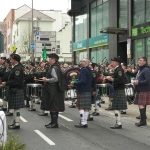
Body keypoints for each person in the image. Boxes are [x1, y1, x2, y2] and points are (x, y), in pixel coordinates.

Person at [41, 53, 65, 128]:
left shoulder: (54, 68)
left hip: (53, 90)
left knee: (53, 106)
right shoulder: (55, 67)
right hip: (54, 90)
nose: (49, 60)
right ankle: (52, 122)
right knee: (52, 106)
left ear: (54, 60)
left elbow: (55, 79)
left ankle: (54, 123)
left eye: (50, 58)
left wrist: (46, 80)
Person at [2, 53, 24, 129]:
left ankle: (17, 123)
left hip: (16, 89)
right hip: (14, 89)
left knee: (17, 107)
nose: (10, 60)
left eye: (11, 59)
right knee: (15, 107)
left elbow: (17, 81)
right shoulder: (15, 67)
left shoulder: (17, 69)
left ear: (15, 60)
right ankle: (16, 121)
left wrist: (6, 83)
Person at [106, 57, 127, 129]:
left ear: (116, 63)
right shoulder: (117, 70)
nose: (111, 63)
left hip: (119, 89)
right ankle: (118, 122)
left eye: (112, 62)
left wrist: (112, 79)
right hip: (117, 89)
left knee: (116, 108)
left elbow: (121, 80)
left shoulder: (119, 70)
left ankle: (118, 123)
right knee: (116, 108)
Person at [71, 58, 92, 128]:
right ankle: (85, 122)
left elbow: (83, 81)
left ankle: (82, 122)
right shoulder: (89, 70)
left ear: (86, 62)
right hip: (88, 90)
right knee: (86, 107)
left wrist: (74, 83)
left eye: (83, 61)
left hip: (82, 90)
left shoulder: (83, 70)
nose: (81, 62)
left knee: (80, 107)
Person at [133, 57, 150, 127]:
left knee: (141, 104)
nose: (139, 61)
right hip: (140, 89)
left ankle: (143, 121)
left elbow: (147, 80)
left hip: (144, 89)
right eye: (139, 60)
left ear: (145, 62)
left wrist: (138, 82)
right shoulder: (141, 69)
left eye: (140, 60)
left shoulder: (146, 70)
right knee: (141, 105)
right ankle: (143, 120)